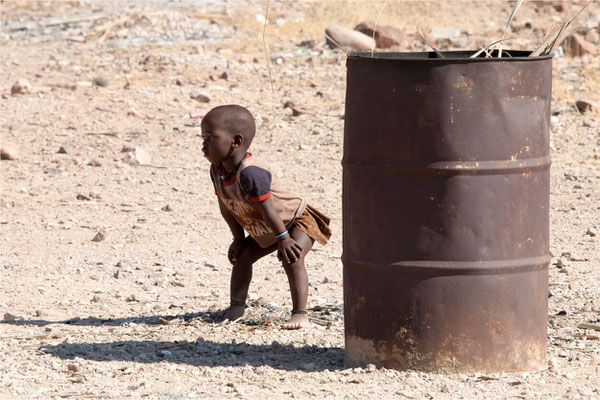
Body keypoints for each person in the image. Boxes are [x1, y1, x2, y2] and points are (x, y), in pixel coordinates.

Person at [201, 104, 331, 330]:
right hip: (269, 227)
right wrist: (238, 238)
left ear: (236, 141)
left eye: (211, 137)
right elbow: (226, 204)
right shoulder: (217, 170)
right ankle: (236, 307)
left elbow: (269, 209)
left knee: (293, 258)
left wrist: (284, 239)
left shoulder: (251, 174)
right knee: (242, 258)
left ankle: (300, 314)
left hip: (295, 221)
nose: (204, 143)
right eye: (202, 137)